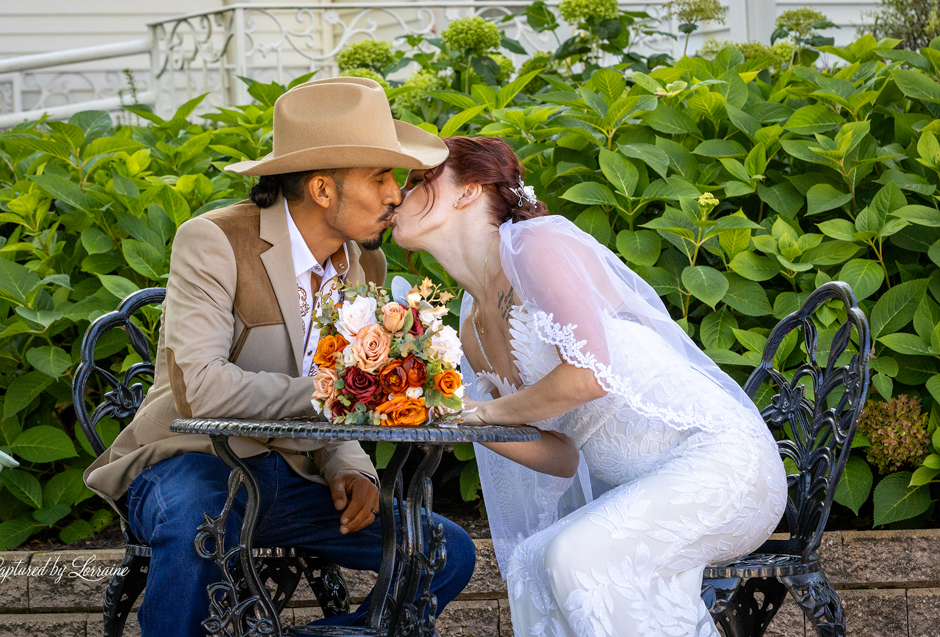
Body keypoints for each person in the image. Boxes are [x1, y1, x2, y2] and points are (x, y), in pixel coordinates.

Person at [83, 78, 475, 636]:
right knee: (198, 523)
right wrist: (341, 392)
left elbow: (343, 383)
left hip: (289, 476)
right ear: (321, 189)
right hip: (190, 462)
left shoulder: (364, 266)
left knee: (441, 550)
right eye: (381, 176)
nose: (396, 194)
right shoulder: (213, 241)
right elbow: (206, 390)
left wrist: (348, 466)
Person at [391, 135, 788, 637]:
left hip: (720, 461)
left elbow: (590, 375)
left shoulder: (535, 248)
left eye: (419, 180)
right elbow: (563, 454)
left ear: (469, 191)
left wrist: (486, 413)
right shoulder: (470, 329)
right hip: (644, 488)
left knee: (573, 556)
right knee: (533, 563)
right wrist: (456, 416)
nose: (398, 195)